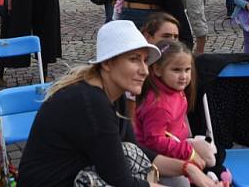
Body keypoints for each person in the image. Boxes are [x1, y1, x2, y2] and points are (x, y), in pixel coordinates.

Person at [17, 20, 164, 186]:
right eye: (134, 59)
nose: (144, 70)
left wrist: (187, 166)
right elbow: (121, 181)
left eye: (145, 60)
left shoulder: (115, 92)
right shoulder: (91, 102)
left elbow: (132, 148)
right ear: (107, 63)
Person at [134, 40, 230, 183]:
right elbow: (154, 142)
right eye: (176, 70)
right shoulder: (159, 105)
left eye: (187, 69)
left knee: (216, 153)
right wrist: (188, 152)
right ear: (158, 70)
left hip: (175, 146)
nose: (184, 76)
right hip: (156, 159)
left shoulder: (175, 91)